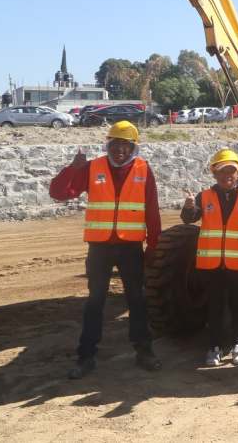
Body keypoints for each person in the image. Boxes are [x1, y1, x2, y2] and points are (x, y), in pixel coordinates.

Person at [49, 120, 162, 379]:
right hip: (100, 248)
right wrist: (72, 169)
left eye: (125, 145)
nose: (120, 150)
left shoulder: (144, 169)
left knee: (137, 299)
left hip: (131, 247)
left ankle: (144, 351)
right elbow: (60, 192)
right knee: (95, 302)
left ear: (133, 147)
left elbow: (152, 210)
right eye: (115, 144)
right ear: (108, 145)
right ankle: (86, 357)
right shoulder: (92, 167)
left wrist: (154, 244)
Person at [181, 148, 238, 367]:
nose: (227, 175)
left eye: (232, 171)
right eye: (223, 171)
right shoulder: (204, 196)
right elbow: (190, 218)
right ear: (215, 174)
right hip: (212, 265)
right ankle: (214, 347)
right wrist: (188, 208)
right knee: (214, 306)